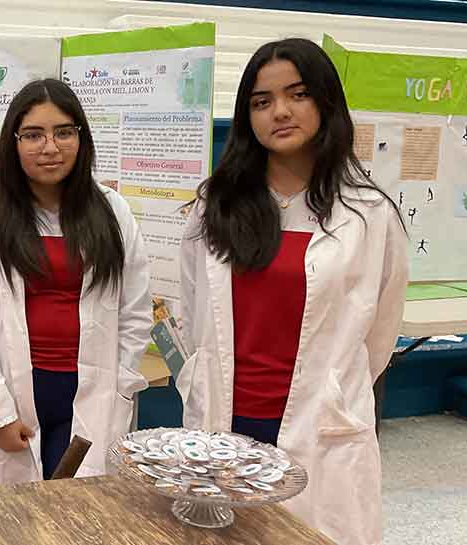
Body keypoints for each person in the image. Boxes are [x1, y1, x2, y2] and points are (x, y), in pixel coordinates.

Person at [177, 38, 407, 545]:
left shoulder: (369, 214)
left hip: (322, 424)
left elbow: (380, 332)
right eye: (262, 101)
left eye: (298, 94)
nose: (280, 111)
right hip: (226, 416)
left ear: (326, 102)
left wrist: (333, 389)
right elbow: (194, 312)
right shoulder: (215, 206)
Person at [0, 78, 152, 488]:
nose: (50, 147)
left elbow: (135, 312)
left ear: (81, 138)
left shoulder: (112, 211)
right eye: (33, 135)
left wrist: (121, 389)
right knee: (14, 514)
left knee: (80, 510)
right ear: (13, 142)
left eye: (63, 132)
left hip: (91, 393)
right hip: (14, 389)